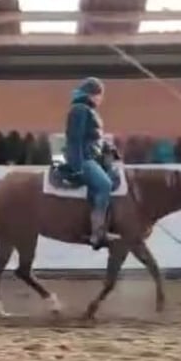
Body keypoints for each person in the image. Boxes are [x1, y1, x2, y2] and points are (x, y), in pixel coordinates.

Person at [63, 77, 116, 249]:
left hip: (92, 156)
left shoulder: (88, 110)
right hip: (83, 158)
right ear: (92, 94)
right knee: (104, 185)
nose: (101, 99)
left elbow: (92, 136)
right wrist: (77, 166)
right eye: (100, 95)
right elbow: (75, 139)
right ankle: (97, 233)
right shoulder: (80, 110)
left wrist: (108, 147)